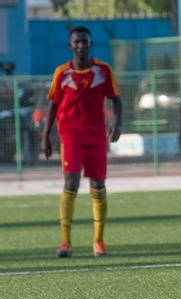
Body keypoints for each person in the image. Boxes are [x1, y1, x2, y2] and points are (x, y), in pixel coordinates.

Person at [40, 26, 123, 257]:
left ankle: (98, 241)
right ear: (70, 46)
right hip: (71, 135)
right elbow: (53, 105)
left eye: (84, 42)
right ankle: (65, 242)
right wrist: (46, 136)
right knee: (71, 183)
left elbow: (117, 100)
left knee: (98, 186)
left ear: (90, 44)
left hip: (96, 136)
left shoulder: (103, 70)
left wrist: (118, 124)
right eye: (76, 42)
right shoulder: (62, 73)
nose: (81, 46)